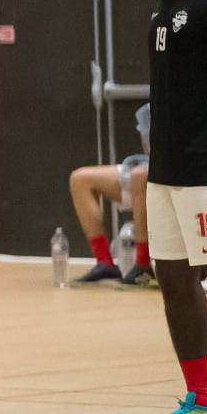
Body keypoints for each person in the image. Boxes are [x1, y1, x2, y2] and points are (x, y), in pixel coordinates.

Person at [139, 0, 207, 414]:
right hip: (164, 171)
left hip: (204, 168)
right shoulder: (164, 9)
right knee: (172, 278)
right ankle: (204, 401)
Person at [70, 103, 153, 286]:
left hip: (186, 171)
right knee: (80, 179)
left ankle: (143, 266)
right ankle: (104, 263)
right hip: (152, 166)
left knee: (140, 176)